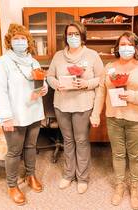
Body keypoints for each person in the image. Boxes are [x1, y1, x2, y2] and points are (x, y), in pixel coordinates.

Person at [90, 32, 138, 210]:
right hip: (114, 118)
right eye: (122, 44)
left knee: (135, 155)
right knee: (118, 154)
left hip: (136, 119)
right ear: (117, 47)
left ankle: (135, 188)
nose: (126, 48)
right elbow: (101, 91)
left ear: (136, 48)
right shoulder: (109, 68)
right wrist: (96, 113)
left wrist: (133, 96)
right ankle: (120, 185)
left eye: (130, 45)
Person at [0, 23, 48, 205]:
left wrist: (44, 89)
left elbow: (40, 82)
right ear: (10, 41)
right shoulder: (3, 62)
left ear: (28, 41)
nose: (20, 42)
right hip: (14, 115)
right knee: (14, 151)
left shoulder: (33, 61)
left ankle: (31, 175)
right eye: (16, 39)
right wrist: (6, 116)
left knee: (31, 147)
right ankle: (12, 185)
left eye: (23, 38)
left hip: (33, 111)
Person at [47, 21, 104, 194]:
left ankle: (83, 177)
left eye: (76, 34)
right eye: (70, 34)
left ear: (82, 36)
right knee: (68, 141)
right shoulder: (58, 56)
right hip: (62, 105)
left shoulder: (92, 55)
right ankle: (68, 174)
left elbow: (101, 79)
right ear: (65, 36)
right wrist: (56, 83)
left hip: (83, 105)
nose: (73, 37)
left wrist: (86, 83)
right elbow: (49, 75)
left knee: (81, 141)